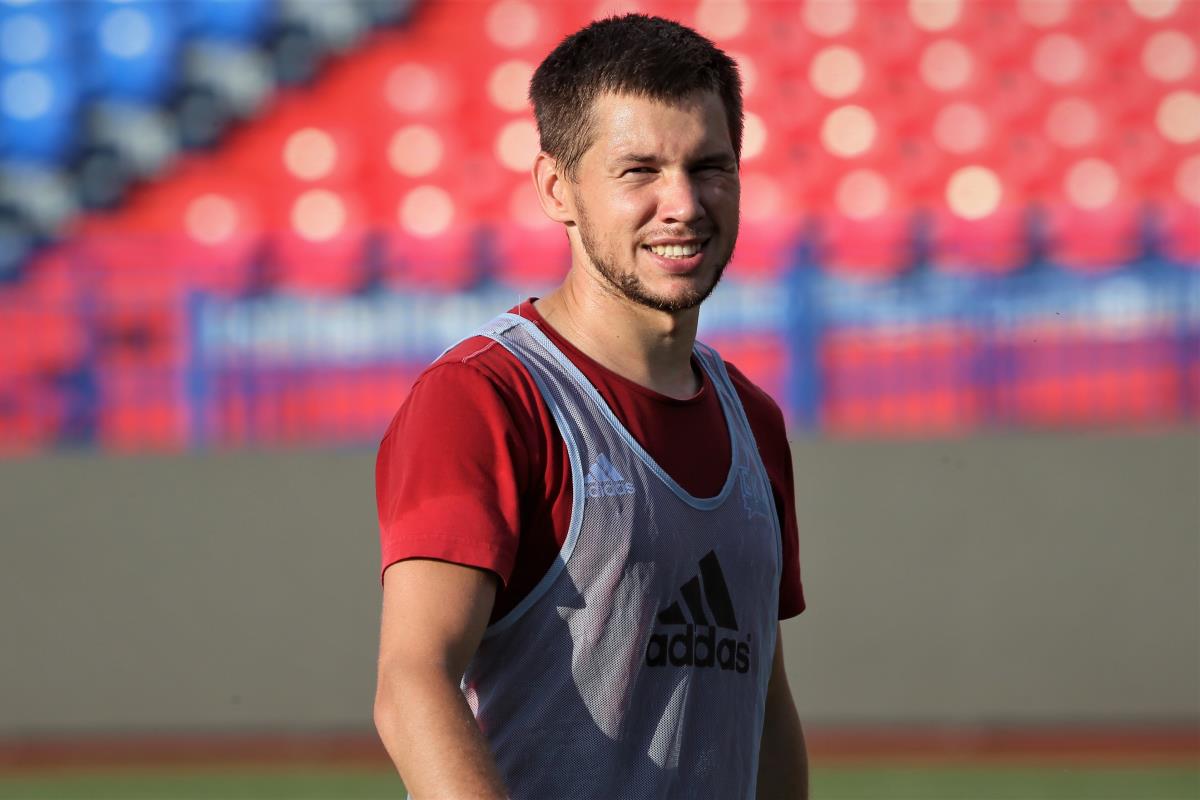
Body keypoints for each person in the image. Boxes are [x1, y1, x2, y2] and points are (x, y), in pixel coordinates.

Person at [374, 14, 807, 800]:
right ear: (556, 188)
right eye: (639, 171)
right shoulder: (484, 398)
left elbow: (765, 709)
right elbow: (413, 684)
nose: (683, 203)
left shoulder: (755, 422)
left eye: (709, 166)